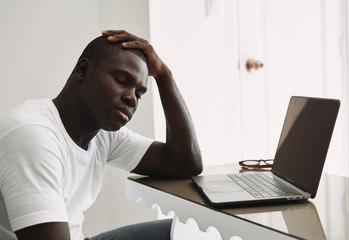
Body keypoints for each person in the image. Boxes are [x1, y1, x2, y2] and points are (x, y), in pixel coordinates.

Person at [0, 30, 203, 240]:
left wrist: (163, 75)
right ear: (83, 69)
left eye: (139, 93)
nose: (132, 99)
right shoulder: (32, 135)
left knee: (187, 232)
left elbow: (184, 163)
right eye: (122, 80)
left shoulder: (102, 135)